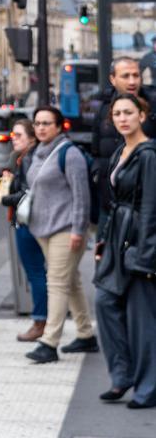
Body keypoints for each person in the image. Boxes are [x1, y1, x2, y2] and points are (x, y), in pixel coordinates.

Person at [94, 94, 156, 409]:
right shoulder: (122, 149)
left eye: (129, 112)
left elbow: (150, 208)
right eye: (117, 113)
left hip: (139, 243)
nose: (122, 118)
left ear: (142, 115)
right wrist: (104, 238)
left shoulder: (149, 154)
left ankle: (147, 389)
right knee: (105, 302)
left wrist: (146, 256)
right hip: (118, 238)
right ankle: (122, 375)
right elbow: (114, 202)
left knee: (141, 319)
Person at [24, 106, 98, 364]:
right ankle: (86, 334)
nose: (41, 128)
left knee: (56, 282)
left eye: (47, 123)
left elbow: (81, 196)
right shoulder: (38, 153)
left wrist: (79, 230)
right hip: (43, 228)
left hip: (66, 229)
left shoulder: (70, 153)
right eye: (38, 123)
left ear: (58, 126)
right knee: (71, 281)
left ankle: (49, 341)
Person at [91, 57, 156, 236]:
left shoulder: (152, 106)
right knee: (105, 260)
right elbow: (96, 150)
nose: (132, 81)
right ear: (113, 79)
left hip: (145, 207)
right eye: (125, 76)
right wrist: (98, 174)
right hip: (110, 204)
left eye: (136, 75)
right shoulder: (103, 108)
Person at [1, 118, 47, 341]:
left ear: (31, 138)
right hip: (28, 220)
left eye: (19, 135)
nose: (14, 139)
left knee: (35, 272)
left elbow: (28, 192)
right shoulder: (21, 158)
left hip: (28, 221)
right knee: (38, 272)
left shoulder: (29, 159)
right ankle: (44, 319)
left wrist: (7, 198)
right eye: (13, 135)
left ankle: (40, 321)